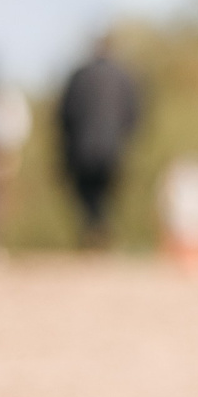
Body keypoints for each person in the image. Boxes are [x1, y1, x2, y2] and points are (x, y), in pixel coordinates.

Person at [57, 35, 141, 248]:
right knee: (105, 192)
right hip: (113, 146)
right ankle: (99, 230)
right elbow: (134, 112)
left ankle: (94, 230)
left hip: (82, 146)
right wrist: (126, 137)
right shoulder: (124, 77)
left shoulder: (79, 76)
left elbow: (64, 113)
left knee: (87, 192)